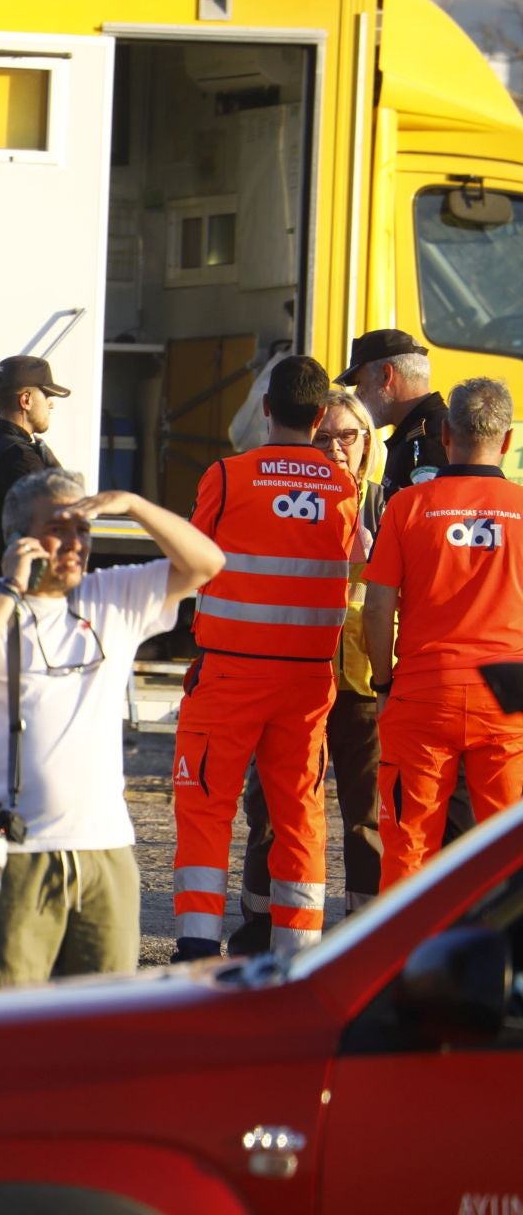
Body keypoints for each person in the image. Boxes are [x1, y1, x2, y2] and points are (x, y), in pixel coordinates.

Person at [0, 470, 221, 988]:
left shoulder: (111, 595)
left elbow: (207, 563)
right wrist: (11, 590)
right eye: (59, 529)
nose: (75, 544)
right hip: (13, 852)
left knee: (103, 1032)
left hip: (104, 851)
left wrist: (133, 504)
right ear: (20, 538)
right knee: (9, 1026)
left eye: (83, 529)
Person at [171, 356, 361, 961]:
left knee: (206, 806)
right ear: (322, 416)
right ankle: (297, 951)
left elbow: (192, 561)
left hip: (229, 670)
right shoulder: (345, 486)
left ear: (267, 409)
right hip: (307, 680)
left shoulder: (228, 476)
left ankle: (198, 946)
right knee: (299, 812)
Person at [230, 387, 385, 953]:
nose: (338, 448)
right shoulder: (286, 495)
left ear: (368, 442)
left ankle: (366, 932)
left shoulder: (387, 503)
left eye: (350, 436)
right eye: (326, 437)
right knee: (273, 805)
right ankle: (260, 923)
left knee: (366, 815)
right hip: (294, 675)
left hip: (364, 678)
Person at [364, 377, 523, 886]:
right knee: (509, 857)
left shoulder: (408, 506)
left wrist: (383, 682)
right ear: (506, 441)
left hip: (423, 694)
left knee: (409, 848)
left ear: (445, 435)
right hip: (508, 698)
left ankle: (400, 962)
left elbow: (377, 606)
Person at [0, 355, 69, 581]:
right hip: (14, 591)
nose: (51, 403)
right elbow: (61, 521)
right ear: (26, 400)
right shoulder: (21, 459)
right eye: (46, 395)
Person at [337, 328, 444, 499]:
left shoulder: (432, 441)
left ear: (386, 375)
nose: (357, 395)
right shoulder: (417, 434)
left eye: (360, 383)